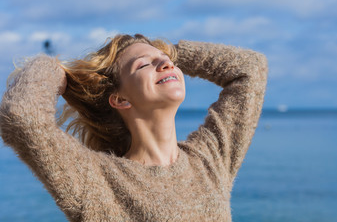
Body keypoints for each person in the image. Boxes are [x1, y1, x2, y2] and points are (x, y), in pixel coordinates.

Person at [0, 34, 268, 221]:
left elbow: (251, 68)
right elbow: (22, 116)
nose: (165, 64)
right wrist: (54, 69)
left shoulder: (210, 158)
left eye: (166, 60)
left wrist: (172, 53)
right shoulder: (99, 182)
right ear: (119, 99)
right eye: (143, 65)